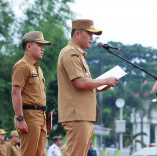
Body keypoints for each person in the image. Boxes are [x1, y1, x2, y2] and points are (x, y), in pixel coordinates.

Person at [57, 19, 119, 156]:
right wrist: (104, 80)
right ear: (77, 33)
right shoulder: (70, 53)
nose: (92, 38)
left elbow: (85, 84)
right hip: (77, 115)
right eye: (89, 34)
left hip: (83, 115)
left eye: (93, 35)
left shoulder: (78, 55)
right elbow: (80, 82)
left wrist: (104, 85)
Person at [11, 31, 51, 156]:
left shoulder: (38, 68)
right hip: (29, 115)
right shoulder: (22, 66)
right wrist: (20, 118)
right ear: (28, 46)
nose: (43, 49)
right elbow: (15, 93)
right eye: (39, 45)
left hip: (41, 115)